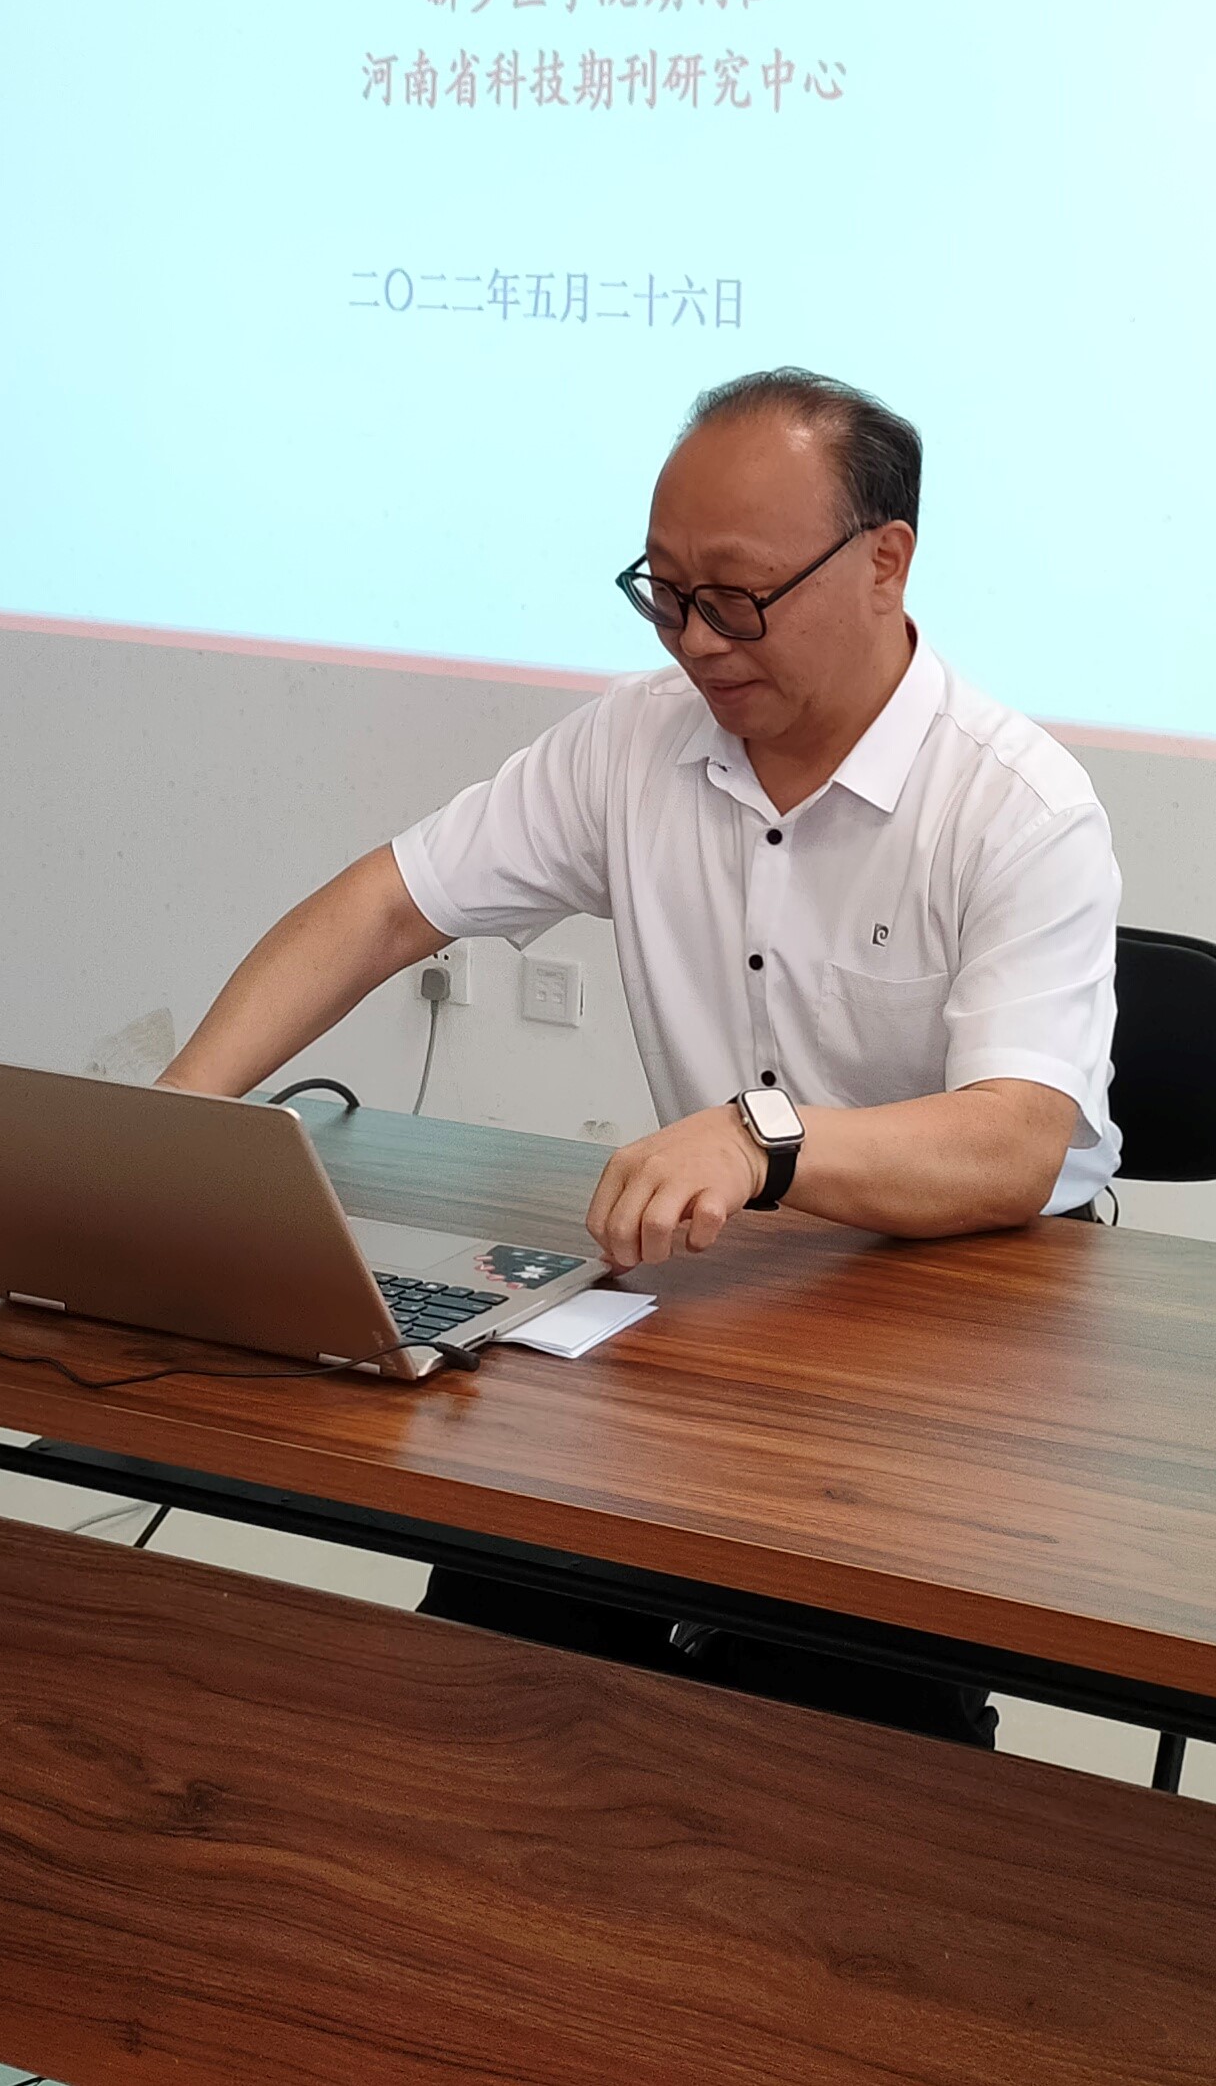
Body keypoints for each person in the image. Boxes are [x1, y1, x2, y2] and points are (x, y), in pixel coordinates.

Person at [163, 364, 1121, 1741]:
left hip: (967, 1330)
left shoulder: (1017, 805)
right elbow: (387, 908)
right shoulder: (636, 742)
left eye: (739, 598)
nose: (698, 642)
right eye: (664, 595)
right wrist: (180, 1118)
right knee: (484, 1660)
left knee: (837, 1741)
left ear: (885, 562)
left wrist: (759, 1136)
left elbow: (1017, 1141)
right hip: (724, 1296)